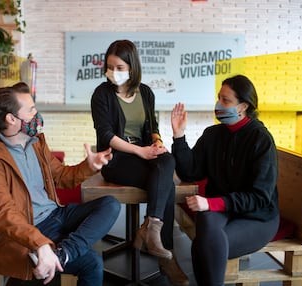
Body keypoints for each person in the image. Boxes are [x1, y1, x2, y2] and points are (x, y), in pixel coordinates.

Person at [0, 82, 121, 286]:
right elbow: (4, 213)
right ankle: (57, 255)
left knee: (110, 204)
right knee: (93, 263)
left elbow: (62, 176)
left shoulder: (35, 142)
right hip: (29, 230)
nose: (37, 114)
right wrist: (40, 243)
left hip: (55, 214)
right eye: (31, 110)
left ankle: (62, 255)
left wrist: (89, 166)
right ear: (11, 118)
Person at [91, 39, 189, 286]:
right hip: (116, 160)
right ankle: (165, 257)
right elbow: (106, 136)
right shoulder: (101, 94)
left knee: (167, 159)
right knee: (165, 181)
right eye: (110, 66)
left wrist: (156, 142)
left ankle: (150, 227)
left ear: (132, 68)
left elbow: (151, 129)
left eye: (120, 67)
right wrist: (140, 151)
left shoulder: (145, 92)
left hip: (143, 152)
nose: (114, 72)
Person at [171, 74, 280, 286]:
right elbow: (190, 172)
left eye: (226, 100)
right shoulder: (213, 134)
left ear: (243, 107)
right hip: (224, 211)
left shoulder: (261, 139)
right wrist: (179, 136)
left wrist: (212, 203)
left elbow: (259, 197)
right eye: (219, 97)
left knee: (205, 244)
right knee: (206, 224)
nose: (218, 104)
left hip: (257, 216)